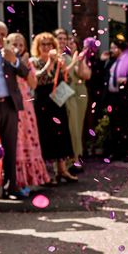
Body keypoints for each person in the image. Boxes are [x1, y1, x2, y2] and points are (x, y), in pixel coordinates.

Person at [29, 32, 77, 183]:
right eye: (43, 44)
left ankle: (62, 170)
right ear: (38, 46)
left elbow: (68, 80)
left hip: (56, 101)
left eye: (49, 44)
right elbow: (37, 79)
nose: (46, 47)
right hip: (42, 102)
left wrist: (65, 67)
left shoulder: (58, 62)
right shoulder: (33, 61)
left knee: (60, 133)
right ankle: (46, 174)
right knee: (45, 135)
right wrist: (49, 63)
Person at [7, 33, 51, 189]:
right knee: (14, 140)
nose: (18, 48)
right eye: (14, 44)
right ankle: (14, 180)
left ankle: (29, 179)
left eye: (21, 45)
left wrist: (23, 66)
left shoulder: (26, 63)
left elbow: (33, 85)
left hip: (26, 104)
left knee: (28, 137)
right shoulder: (4, 61)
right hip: (10, 104)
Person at [0, 21, 29, 200]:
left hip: (9, 105)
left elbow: (26, 73)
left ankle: (11, 187)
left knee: (10, 147)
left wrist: (14, 60)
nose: (0, 38)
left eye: (3, 35)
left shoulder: (10, 55)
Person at [102, 38, 128, 161]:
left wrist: (127, 80)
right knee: (113, 126)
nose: (112, 50)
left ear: (120, 48)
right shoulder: (111, 62)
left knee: (126, 126)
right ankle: (115, 152)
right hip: (113, 98)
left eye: (114, 48)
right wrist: (103, 61)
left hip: (125, 98)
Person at [64, 35, 92, 167]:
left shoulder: (79, 57)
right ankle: (70, 157)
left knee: (77, 125)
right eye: (67, 42)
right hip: (66, 91)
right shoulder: (62, 57)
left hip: (79, 92)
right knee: (69, 126)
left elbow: (85, 75)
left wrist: (80, 61)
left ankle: (77, 156)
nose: (70, 44)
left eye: (73, 42)